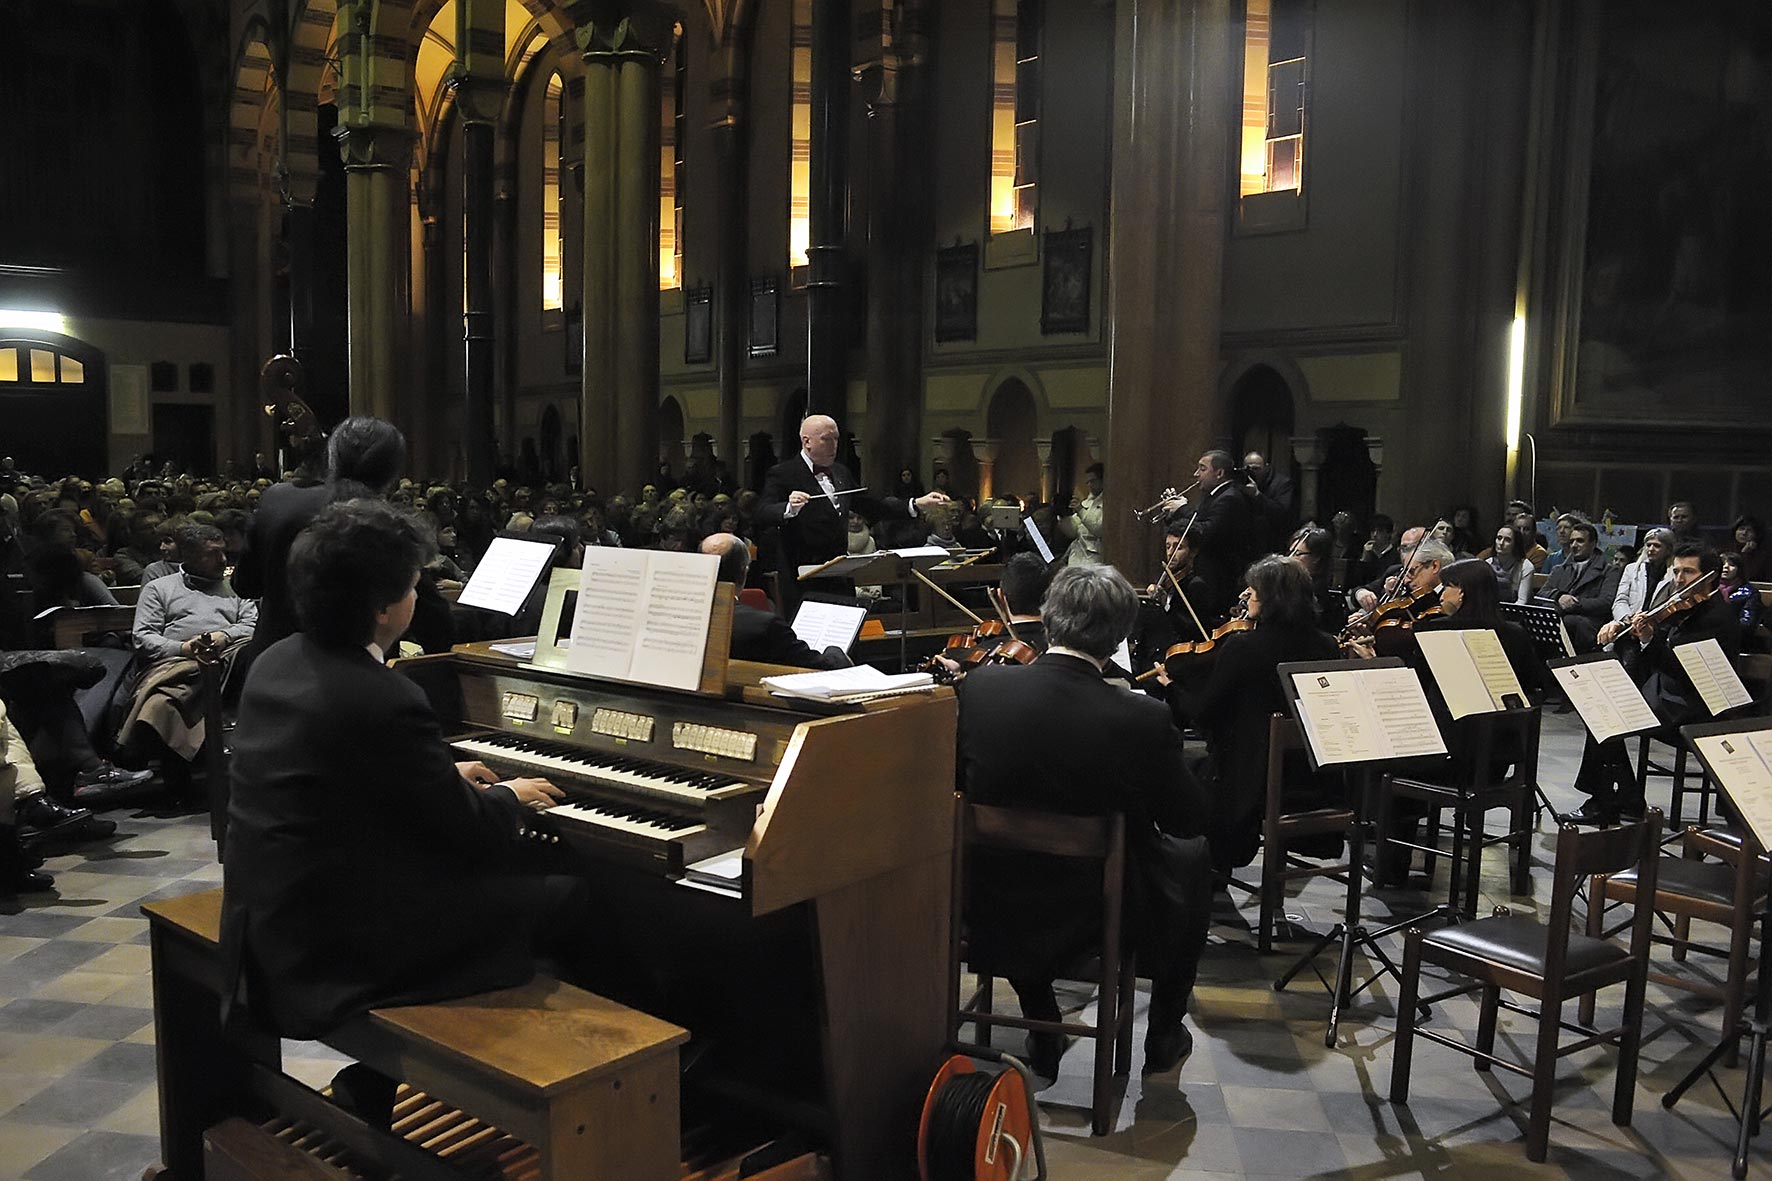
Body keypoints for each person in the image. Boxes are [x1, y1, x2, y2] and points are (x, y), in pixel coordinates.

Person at [219, 499, 580, 1069]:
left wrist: (441, 773)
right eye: (414, 586)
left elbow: (343, 777)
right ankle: (549, 1075)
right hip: (342, 949)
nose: (418, 596)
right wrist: (509, 796)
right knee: (573, 894)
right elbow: (472, 831)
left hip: (273, 910)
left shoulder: (279, 660)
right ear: (385, 608)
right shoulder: (383, 695)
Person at [956, 564, 1210, 1076]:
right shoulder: (1140, 716)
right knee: (1193, 856)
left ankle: (1038, 1011)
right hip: (1095, 910)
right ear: (1119, 636)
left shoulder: (982, 688)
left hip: (986, 897)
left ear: (1048, 621)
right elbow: (1185, 818)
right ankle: (1163, 1030)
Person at [1164, 555, 1340, 872]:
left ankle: (1208, 868)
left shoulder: (1244, 647)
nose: (1246, 595)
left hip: (1250, 782)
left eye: (1253, 590)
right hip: (1312, 779)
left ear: (1271, 598)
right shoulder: (1327, 646)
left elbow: (1203, 714)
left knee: (1182, 763)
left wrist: (1173, 687)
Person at [1567, 543, 1741, 824]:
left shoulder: (1716, 617)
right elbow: (1658, 640)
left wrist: (1650, 639)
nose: (1679, 579)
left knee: (1607, 718)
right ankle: (1622, 797)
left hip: (1693, 706)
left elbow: (1685, 669)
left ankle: (1614, 801)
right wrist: (1623, 626)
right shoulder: (1685, 606)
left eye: (1688, 572)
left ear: (1710, 576)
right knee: (1601, 713)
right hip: (1666, 695)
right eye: (1676, 571)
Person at [756, 414, 947, 608]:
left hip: (840, 575)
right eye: (826, 439)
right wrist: (789, 508)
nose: (834, 445)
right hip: (803, 577)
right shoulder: (783, 473)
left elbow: (871, 506)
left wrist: (915, 504)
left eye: (836, 438)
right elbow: (762, 512)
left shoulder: (841, 472)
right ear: (807, 442)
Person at [699, 533, 850, 669]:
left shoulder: (681, 614)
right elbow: (820, 666)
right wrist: (834, 651)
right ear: (744, 571)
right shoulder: (765, 625)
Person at [1181, 450, 1254, 621]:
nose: (1196, 474)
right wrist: (1172, 514)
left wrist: (1181, 510)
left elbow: (1206, 532)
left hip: (1220, 577)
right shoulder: (1214, 495)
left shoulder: (1229, 498)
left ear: (1219, 473)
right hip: (1209, 573)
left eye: (1202, 469)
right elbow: (1197, 523)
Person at [1537, 520, 1618, 652]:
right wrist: (1559, 596)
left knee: (1570, 622)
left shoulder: (1608, 571)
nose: (1574, 545)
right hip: (1558, 618)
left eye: (1580, 541)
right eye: (1572, 541)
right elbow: (1542, 593)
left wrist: (1574, 604)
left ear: (1593, 544)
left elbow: (1606, 602)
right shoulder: (1560, 569)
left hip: (1589, 624)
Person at [1612, 527, 1673, 624]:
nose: (1651, 549)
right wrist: (1626, 617)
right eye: (1648, 545)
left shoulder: (1674, 573)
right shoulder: (1631, 569)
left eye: (1657, 546)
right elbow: (1621, 599)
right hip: (1629, 623)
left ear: (1669, 549)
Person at [1060, 463, 1105, 566]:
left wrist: (1080, 510)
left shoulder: (1108, 504)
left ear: (1102, 480)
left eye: (1092, 481)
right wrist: (1063, 515)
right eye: (1088, 482)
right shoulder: (1087, 502)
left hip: (1095, 558)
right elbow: (1073, 532)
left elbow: (1099, 529)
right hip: (1078, 555)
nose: (1089, 485)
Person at [1484, 523, 1537, 605]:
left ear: (1516, 544)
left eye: (1507, 540)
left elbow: (1522, 601)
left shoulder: (1526, 567)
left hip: (1516, 612)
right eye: (1499, 538)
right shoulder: (1487, 563)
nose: (1501, 543)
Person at [1731, 515, 1770, 583]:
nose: (1744, 533)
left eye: (1749, 530)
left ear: (1756, 534)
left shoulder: (1762, 555)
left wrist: (1746, 554)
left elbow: (1747, 576)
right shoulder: (1726, 550)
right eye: (1741, 529)